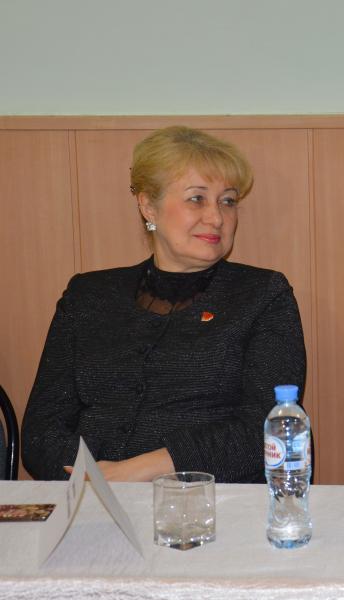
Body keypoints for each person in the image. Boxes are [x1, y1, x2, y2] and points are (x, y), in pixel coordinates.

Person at [22, 126, 306, 484]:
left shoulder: (262, 294)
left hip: (211, 499)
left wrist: (134, 472)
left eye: (228, 201)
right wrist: (90, 479)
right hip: (89, 499)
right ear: (148, 206)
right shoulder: (87, 296)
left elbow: (268, 425)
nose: (217, 218)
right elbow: (41, 430)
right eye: (196, 198)